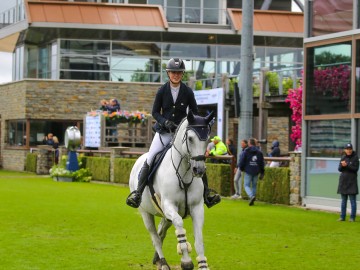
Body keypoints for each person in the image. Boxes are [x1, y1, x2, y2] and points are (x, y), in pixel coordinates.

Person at [126, 58, 221, 209]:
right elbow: (155, 112)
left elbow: (195, 113)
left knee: (197, 160)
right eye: (173, 72)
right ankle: (138, 193)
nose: (176, 75)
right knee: (150, 158)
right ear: (168, 73)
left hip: (182, 135)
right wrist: (164, 122)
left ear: (182, 74)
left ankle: (207, 194)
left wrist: (199, 124)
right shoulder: (162, 90)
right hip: (164, 133)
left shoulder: (188, 91)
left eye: (179, 72)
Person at [239, 138, 265, 206]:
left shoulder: (246, 151)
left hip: (248, 170)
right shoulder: (259, 152)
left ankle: (251, 196)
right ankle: (252, 199)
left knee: (246, 185)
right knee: (254, 185)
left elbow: (242, 160)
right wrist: (262, 171)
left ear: (249, 143)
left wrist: (241, 168)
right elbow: (261, 162)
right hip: (256, 171)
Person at [337, 143, 358, 222]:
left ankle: (352, 217)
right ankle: (342, 217)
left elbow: (355, 169)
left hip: (352, 182)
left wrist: (347, 165)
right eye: (347, 149)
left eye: (350, 149)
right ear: (345, 150)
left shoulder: (355, 157)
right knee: (343, 201)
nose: (348, 150)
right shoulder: (343, 157)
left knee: (352, 201)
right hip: (343, 181)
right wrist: (342, 166)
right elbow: (339, 169)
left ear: (352, 149)